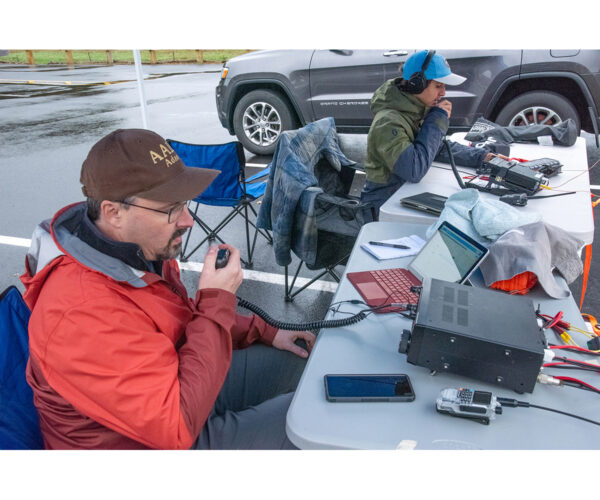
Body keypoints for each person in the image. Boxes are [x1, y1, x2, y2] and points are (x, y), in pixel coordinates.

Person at [21, 128, 315, 450]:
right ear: (113, 213)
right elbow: (174, 429)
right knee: (316, 426)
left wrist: (266, 331)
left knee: (307, 367)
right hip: (145, 442)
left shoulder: (136, 250)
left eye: (185, 204)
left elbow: (181, 318)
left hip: (172, 382)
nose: (188, 221)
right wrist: (218, 298)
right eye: (171, 208)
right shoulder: (80, 311)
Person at [361, 50, 508, 216]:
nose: (443, 93)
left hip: (403, 194)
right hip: (382, 204)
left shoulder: (414, 110)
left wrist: (481, 157)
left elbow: (435, 147)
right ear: (417, 84)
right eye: (438, 86)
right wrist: (436, 120)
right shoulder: (388, 122)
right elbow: (413, 170)